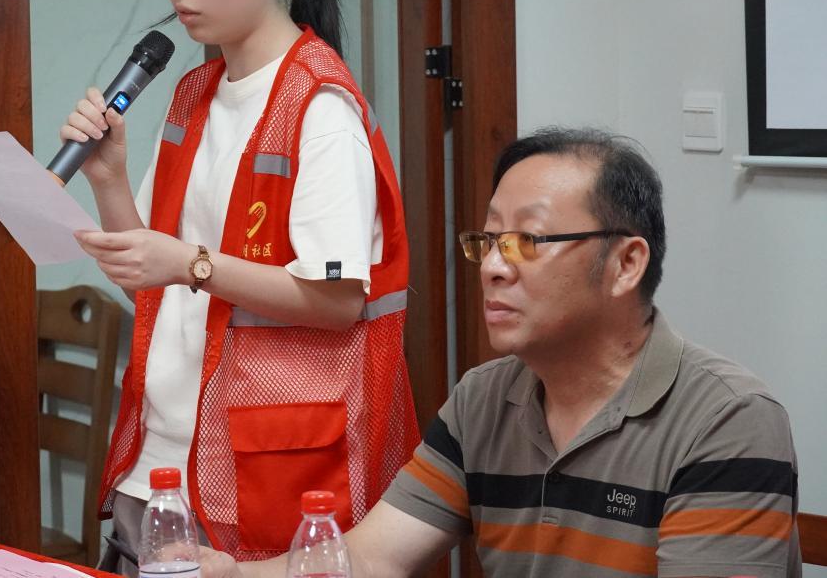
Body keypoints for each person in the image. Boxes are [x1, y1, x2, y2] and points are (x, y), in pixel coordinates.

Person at [199, 127, 801, 578]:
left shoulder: (727, 420)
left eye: (527, 241)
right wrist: (228, 575)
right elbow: (371, 558)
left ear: (626, 264)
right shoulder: (485, 399)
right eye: (488, 240)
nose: (491, 267)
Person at [57, 0, 418, 573]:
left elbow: (338, 300)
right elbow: (156, 284)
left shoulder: (320, 108)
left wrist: (191, 264)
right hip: (159, 459)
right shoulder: (195, 93)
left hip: (267, 470)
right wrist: (109, 180)